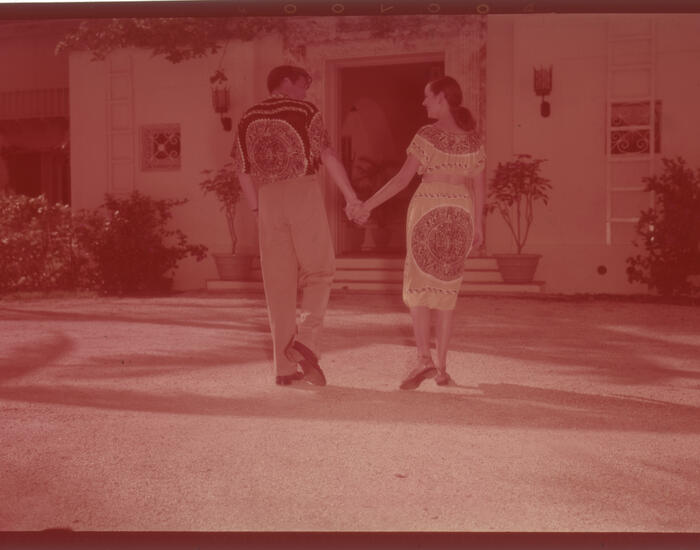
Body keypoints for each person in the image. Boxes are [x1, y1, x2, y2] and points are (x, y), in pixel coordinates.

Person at [348, 76, 485, 389]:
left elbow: (401, 180)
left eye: (427, 97)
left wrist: (366, 205)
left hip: (428, 207)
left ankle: (424, 358)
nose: (423, 102)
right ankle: (442, 369)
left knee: (418, 286)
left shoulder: (427, 135)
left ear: (441, 98)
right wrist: (478, 225)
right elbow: (479, 186)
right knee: (447, 289)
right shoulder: (474, 140)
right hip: (460, 213)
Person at [232, 65, 361, 387]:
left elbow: (242, 171)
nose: (306, 91)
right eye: (303, 84)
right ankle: (306, 342)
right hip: (301, 191)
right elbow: (327, 154)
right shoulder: (304, 111)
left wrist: (258, 209)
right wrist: (351, 197)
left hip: (267, 198)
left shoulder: (248, 117)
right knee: (320, 270)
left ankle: (284, 369)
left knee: (278, 284)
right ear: (286, 82)